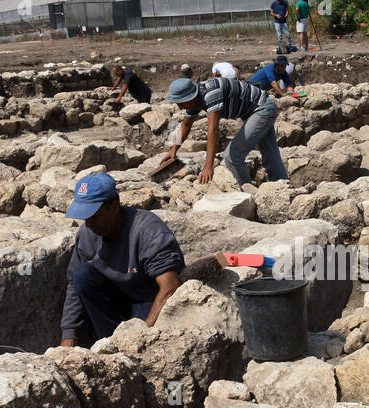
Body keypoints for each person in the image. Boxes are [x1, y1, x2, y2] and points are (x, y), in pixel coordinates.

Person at [59, 173, 184, 345]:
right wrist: (68, 340)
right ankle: (109, 343)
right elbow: (74, 286)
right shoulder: (88, 234)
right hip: (116, 300)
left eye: (94, 216)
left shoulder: (148, 231)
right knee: (82, 275)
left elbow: (170, 287)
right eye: (84, 217)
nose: (88, 224)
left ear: (114, 207)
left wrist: (142, 338)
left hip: (148, 300)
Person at [163, 75, 288, 187]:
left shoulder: (211, 93)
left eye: (182, 102)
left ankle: (248, 192)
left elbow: (213, 129)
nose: (180, 107)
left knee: (232, 156)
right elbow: (186, 124)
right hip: (257, 109)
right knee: (270, 151)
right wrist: (174, 150)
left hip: (262, 109)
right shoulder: (194, 101)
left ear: (192, 96)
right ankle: (280, 186)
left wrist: (208, 166)